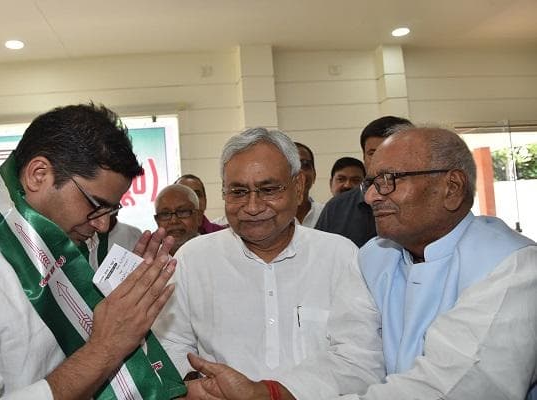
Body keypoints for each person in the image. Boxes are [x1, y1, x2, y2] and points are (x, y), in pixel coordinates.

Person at [183, 127, 537, 400]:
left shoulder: (513, 267)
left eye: (389, 181)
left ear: (452, 187)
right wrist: (267, 393)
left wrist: (268, 396)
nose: (369, 196)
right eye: (372, 181)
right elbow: (357, 358)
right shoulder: (376, 257)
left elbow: (452, 387)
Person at [0, 104, 185, 400]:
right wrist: (105, 348)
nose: (104, 225)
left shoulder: (69, 252)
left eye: (112, 210)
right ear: (38, 175)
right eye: (96, 205)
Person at [153, 128, 358, 386]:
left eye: (268, 189)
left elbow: (358, 359)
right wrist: (197, 385)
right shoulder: (192, 260)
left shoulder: (340, 256)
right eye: (238, 192)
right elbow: (170, 342)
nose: (252, 207)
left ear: (298, 187)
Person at [315, 116, 413, 247]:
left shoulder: (426, 198)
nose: (381, 159)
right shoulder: (337, 208)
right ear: (363, 157)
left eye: (390, 151)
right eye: (372, 153)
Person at [154, 184, 202, 256]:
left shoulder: (215, 253)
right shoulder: (148, 259)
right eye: (165, 214)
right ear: (157, 221)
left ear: (199, 217)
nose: (174, 221)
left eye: (182, 212)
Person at [293, 142, 324, 227]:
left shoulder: (327, 212)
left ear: (314, 175)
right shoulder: (269, 216)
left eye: (305, 164)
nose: (299, 172)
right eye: (291, 166)